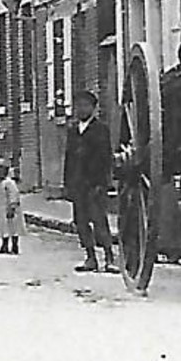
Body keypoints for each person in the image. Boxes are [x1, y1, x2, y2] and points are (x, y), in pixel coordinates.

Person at [64, 89, 117, 273]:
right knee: (81, 221)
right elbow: (69, 158)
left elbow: (105, 158)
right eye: (78, 106)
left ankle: (109, 257)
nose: (81, 109)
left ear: (93, 108)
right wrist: (68, 185)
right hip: (78, 184)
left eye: (85, 106)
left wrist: (103, 183)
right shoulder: (72, 130)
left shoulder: (100, 129)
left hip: (94, 184)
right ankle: (90, 257)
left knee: (99, 221)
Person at [0, 158, 23, 255]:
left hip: (8, 209)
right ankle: (4, 245)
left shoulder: (9, 183)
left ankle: (15, 246)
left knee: (12, 228)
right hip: (0, 209)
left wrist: (12, 206)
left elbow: (14, 194)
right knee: (3, 228)